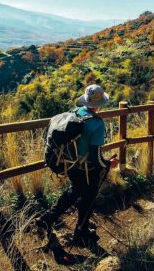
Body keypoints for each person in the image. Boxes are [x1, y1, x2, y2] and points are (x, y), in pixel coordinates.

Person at [37, 84, 119, 246]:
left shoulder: (75, 112)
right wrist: (109, 164)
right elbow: (96, 158)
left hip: (70, 164)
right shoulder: (97, 124)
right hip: (87, 169)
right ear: (100, 104)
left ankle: (47, 218)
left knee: (74, 191)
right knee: (88, 197)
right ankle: (81, 232)